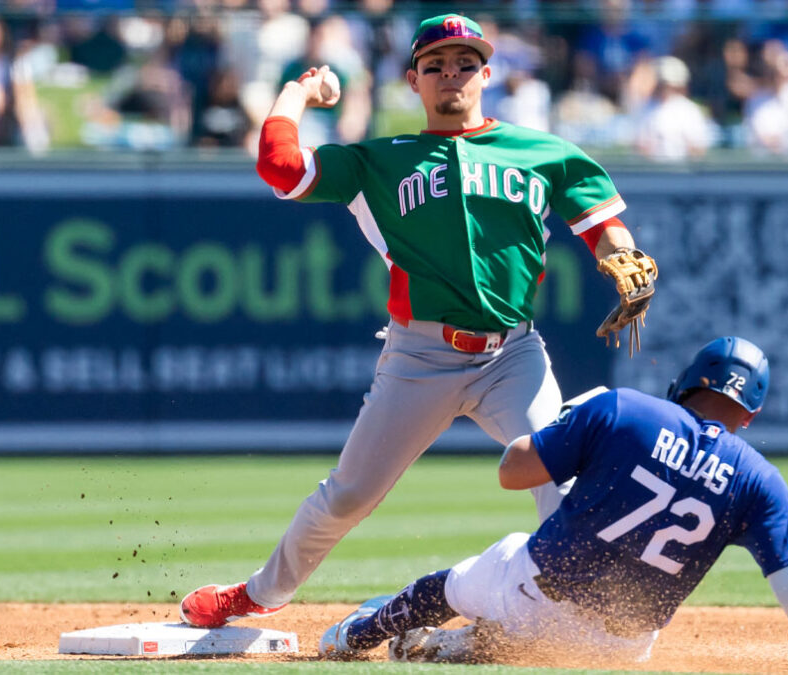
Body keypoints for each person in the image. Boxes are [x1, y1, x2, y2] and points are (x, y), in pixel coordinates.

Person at [178, 13, 652, 628]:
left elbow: (604, 228)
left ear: (487, 73)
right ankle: (259, 594)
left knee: (560, 478)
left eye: (464, 63)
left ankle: (589, 605)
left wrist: (619, 255)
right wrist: (298, 92)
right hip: (420, 356)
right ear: (413, 80)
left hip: (514, 356)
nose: (450, 73)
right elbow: (280, 168)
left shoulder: (544, 154)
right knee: (348, 494)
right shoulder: (380, 162)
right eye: (435, 65)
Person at [319, 337, 788, 670]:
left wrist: (570, 430)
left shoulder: (625, 408)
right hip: (623, 647)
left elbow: (512, 472)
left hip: (532, 594)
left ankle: (354, 638)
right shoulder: (761, 480)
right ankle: (464, 649)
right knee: (517, 633)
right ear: (751, 414)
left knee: (449, 585)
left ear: (684, 383)